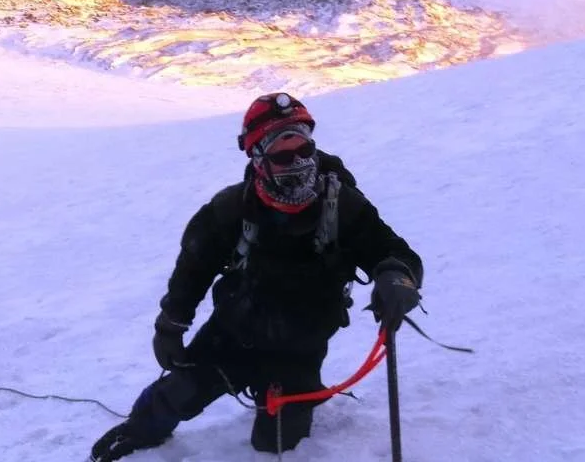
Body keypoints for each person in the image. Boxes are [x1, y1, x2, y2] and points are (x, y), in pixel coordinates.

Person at [90, 93, 424, 460]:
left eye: (304, 150)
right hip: (232, 334)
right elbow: (192, 271)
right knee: (177, 394)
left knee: (274, 443)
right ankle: (138, 430)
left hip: (299, 350)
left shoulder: (343, 206)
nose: (298, 163)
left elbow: (394, 252)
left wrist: (397, 278)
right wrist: (170, 325)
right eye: (282, 156)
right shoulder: (230, 210)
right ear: (258, 158)